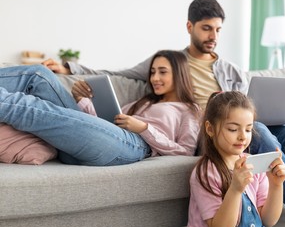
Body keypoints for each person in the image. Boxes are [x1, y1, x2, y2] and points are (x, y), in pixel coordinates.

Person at [42, 0, 285, 227]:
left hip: (249, 124)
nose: (213, 36)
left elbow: (249, 104)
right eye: (207, 28)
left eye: (219, 30)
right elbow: (115, 73)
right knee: (261, 133)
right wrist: (69, 69)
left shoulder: (228, 68)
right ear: (190, 27)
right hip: (215, 132)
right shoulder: (170, 61)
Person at [0, 50, 200, 166]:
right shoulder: (143, 102)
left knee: (31, 107)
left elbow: (186, 153)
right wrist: (81, 99)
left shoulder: (189, 110)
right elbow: (102, 126)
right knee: (40, 75)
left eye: (162, 72)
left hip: (136, 146)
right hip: (94, 141)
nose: (155, 78)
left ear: (179, 74)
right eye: (153, 72)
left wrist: (145, 129)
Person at [187, 91, 285, 227]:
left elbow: (268, 221)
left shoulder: (253, 164)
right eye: (232, 129)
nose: (243, 136)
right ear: (210, 129)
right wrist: (235, 189)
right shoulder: (205, 172)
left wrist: (276, 185)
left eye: (248, 129)